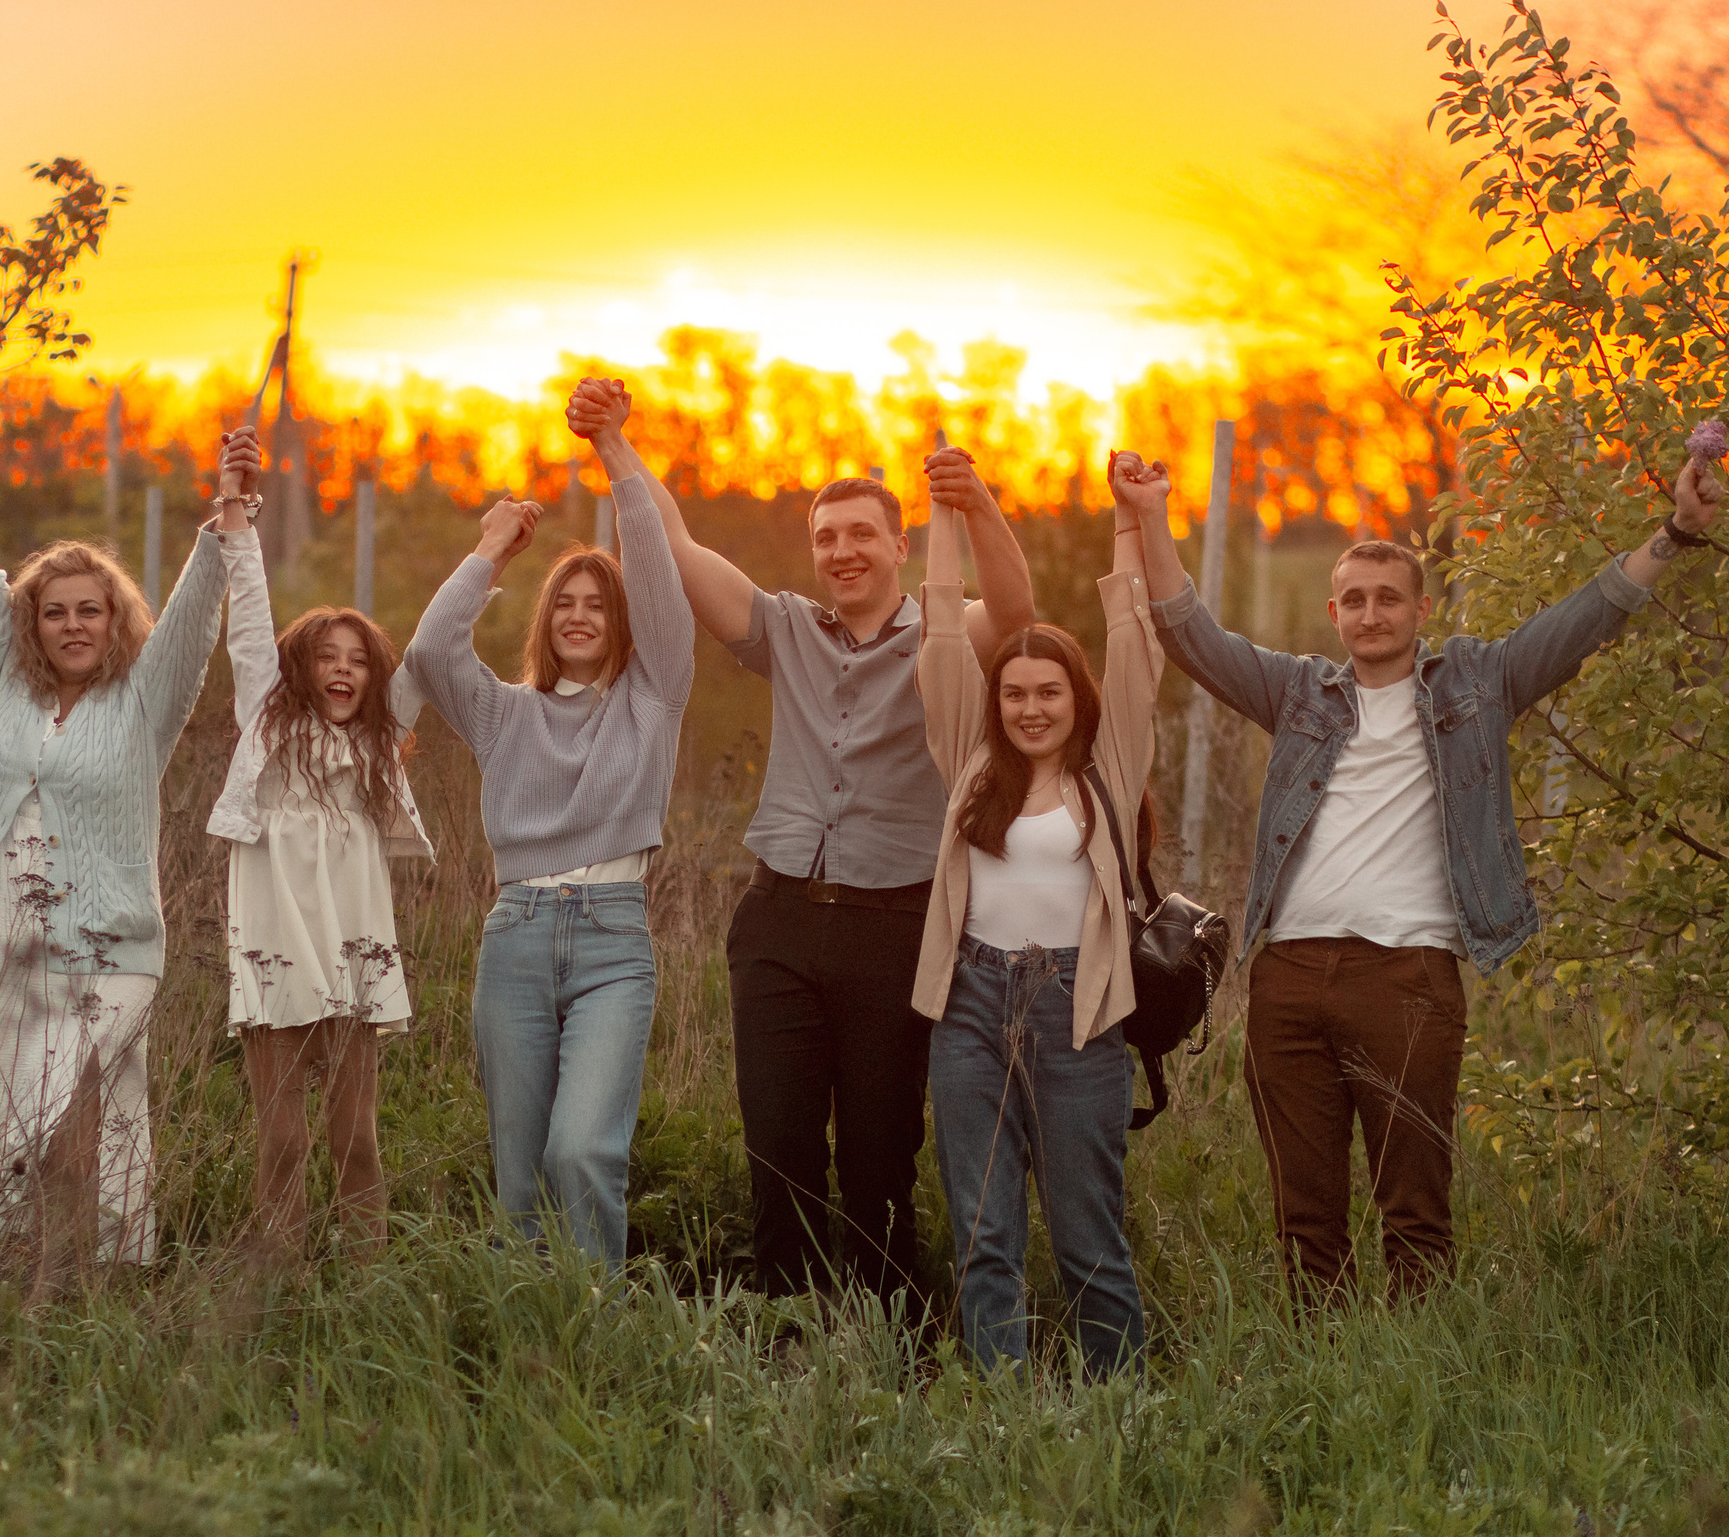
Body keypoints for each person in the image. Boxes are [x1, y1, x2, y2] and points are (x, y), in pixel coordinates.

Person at [1132, 441, 1725, 1301]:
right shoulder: (1296, 694)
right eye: (1355, 600)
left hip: (1407, 980)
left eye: (1389, 598)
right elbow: (1189, 633)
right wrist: (1151, 513)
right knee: (1305, 1218)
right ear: (1334, 612)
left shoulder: (1481, 683)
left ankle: (1419, 1387)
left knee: (1415, 1212)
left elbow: (1590, 613)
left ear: (1421, 607)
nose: (1371, 614)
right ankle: (1323, 1385)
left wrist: (1674, 531)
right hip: (1289, 980)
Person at [634, 429, 1035, 1308]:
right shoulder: (783, 630)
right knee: (778, 1144)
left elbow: (1015, 609)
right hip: (777, 922)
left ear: (899, 545)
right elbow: (677, 544)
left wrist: (972, 502)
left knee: (879, 1151)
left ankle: (891, 1334)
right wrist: (614, 444)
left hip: (895, 926)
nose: (843, 551)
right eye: (826, 537)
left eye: (862, 534)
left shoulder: (947, 632)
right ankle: (789, 1327)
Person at [0, 357, 242, 1278]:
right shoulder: (12, 689)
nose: (71, 625)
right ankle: (22, 1293)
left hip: (110, 944)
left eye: (90, 611)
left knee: (70, 1126)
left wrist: (225, 518)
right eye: (54, 612)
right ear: (34, 625)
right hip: (9, 940)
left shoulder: (145, 703)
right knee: (0, 1126)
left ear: (113, 621)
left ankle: (91, 1279)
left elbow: (189, 619)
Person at [404, 378, 695, 1268]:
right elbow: (428, 652)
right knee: (520, 1180)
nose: (578, 614)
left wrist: (613, 453)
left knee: (582, 1150)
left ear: (622, 624)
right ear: (544, 618)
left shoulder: (654, 697)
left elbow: (651, 563)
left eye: (597, 603)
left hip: (613, 941)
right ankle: (535, 1351)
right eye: (564, 602)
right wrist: (491, 549)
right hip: (517, 938)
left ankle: (597, 1330)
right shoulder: (504, 715)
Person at [913, 458, 1165, 1376]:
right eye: (1014, 693)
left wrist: (1131, 519)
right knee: (983, 1232)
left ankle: (1121, 1415)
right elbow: (943, 629)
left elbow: (1134, 638)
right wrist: (945, 513)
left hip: (1079, 1012)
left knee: (1088, 1239)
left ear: (1076, 699)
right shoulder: (970, 765)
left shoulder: (1112, 767)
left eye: (1047, 692)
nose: (1029, 707)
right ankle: (998, 1417)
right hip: (972, 1008)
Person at [206, 427, 432, 1257]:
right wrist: (236, 503)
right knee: (284, 1142)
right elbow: (249, 615)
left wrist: (489, 555)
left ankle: (367, 1288)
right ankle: (281, 1285)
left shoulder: (376, 745)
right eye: (325, 658)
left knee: (356, 1140)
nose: (342, 670)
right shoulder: (266, 725)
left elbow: (436, 642)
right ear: (298, 671)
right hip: (273, 953)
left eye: (358, 660)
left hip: (356, 952)